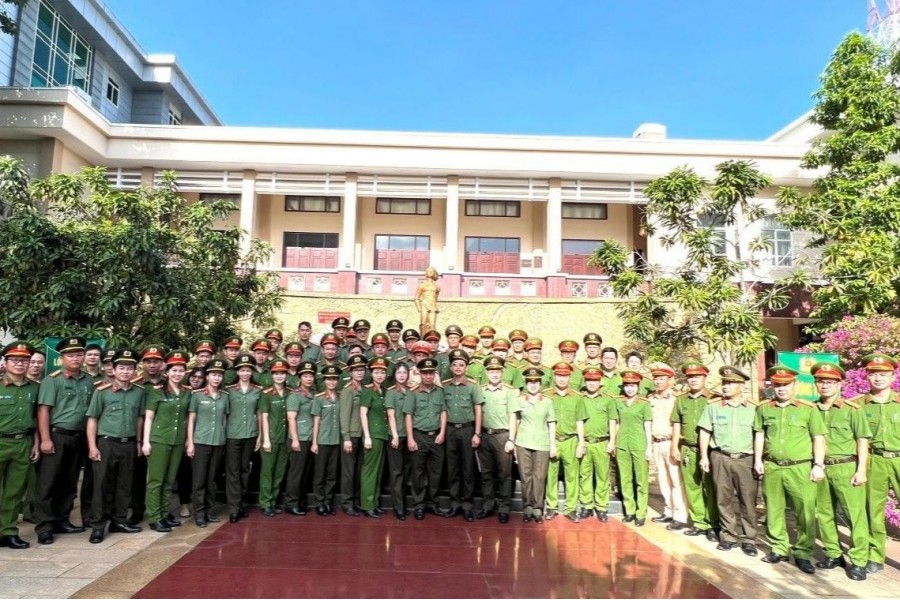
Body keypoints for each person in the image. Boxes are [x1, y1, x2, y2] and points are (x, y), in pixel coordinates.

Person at [753, 365, 826, 575]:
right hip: (773, 466)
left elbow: (818, 437)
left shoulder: (808, 409)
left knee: (804, 511)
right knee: (774, 509)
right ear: (772, 386)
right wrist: (758, 460)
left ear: (795, 385)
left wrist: (818, 465)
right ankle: (779, 548)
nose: (782, 388)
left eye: (786, 384)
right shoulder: (764, 408)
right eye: (778, 385)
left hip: (800, 467)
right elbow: (760, 434)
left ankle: (803, 552)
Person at [810, 362, 870, 581]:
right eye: (821, 381)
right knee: (824, 513)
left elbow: (862, 440)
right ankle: (833, 554)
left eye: (830, 382)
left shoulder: (852, 410)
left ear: (839, 384)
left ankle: (859, 560)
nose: (825, 385)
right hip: (820, 468)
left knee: (855, 515)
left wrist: (861, 470)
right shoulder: (810, 409)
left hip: (846, 466)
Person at [33, 337, 93, 545]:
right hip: (57, 436)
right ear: (62, 358)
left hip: (79, 437)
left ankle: (62, 520)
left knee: (69, 482)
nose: (76, 358)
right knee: (48, 483)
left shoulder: (88, 380)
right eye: (71, 355)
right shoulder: (53, 380)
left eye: (79, 354)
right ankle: (45, 527)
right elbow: (43, 410)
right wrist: (45, 439)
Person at [86, 348, 146, 543]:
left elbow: (139, 418)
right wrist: (92, 446)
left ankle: (119, 521)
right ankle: (98, 526)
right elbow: (92, 419)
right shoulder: (102, 391)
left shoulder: (139, 392)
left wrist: (138, 442)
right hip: (106, 443)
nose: (126, 372)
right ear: (113, 369)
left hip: (128, 443)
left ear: (134, 370)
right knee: (101, 485)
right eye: (122, 368)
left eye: (129, 368)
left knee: (124, 485)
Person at [698, 366, 758, 553]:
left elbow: (759, 435)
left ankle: (749, 539)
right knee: (723, 499)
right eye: (724, 382)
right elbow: (705, 431)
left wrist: (758, 460)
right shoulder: (713, 407)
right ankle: (728, 535)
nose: (726, 386)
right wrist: (704, 456)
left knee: (747, 500)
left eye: (731, 383)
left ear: (742, 386)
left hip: (745, 459)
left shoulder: (754, 408)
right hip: (720, 457)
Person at [858, 353, 900, 574]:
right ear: (867, 376)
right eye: (873, 374)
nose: (878, 378)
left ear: (893, 377)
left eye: (884, 374)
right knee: (873, 509)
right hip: (874, 460)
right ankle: (875, 556)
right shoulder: (858, 405)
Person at [142, 350, 192, 533]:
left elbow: (188, 417)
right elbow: (149, 417)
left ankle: (164, 514)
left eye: (181, 371)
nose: (177, 374)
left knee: (169, 480)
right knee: (156, 480)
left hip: (177, 440)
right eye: (174, 370)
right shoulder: (157, 392)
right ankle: (154, 517)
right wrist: (146, 442)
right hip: (159, 439)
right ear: (167, 372)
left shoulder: (187, 392)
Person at [671, 362, 719, 538]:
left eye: (697, 377)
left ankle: (713, 523)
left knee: (710, 488)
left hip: (710, 450)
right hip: (688, 448)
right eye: (690, 377)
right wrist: (674, 446)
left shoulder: (714, 399)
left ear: (705, 377)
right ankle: (699, 522)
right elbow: (677, 424)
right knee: (692, 486)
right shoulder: (681, 400)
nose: (693, 380)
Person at [0, 342, 40, 550]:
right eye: (14, 360)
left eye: (24, 360)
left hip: (23, 442)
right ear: (5, 362)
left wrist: (36, 443)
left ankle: (9, 531)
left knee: (14, 491)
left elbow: (37, 418)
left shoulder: (35, 388)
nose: (19, 364)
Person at [440, 349, 483, 521]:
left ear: (466, 367)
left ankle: (467, 505)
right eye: (455, 364)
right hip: (450, 430)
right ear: (450, 367)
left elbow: (478, 410)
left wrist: (477, 433)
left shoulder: (473, 386)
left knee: (468, 468)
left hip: (467, 430)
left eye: (461, 364)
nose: (458, 367)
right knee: (452, 469)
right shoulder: (445, 386)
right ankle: (454, 503)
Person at [186, 358, 228, 528]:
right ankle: (199, 513)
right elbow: (191, 420)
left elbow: (224, 419)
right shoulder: (197, 395)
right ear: (207, 377)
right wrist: (190, 443)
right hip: (200, 441)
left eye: (219, 375)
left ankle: (209, 510)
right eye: (213, 375)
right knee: (199, 480)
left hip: (217, 441)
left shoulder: (225, 397)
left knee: (211, 479)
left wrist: (223, 438)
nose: (216, 378)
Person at [404, 358, 447, 520]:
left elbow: (443, 412)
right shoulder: (413, 392)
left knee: (436, 472)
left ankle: (433, 503)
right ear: (420, 374)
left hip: (436, 436)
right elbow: (408, 415)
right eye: (425, 373)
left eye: (431, 373)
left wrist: (442, 433)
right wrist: (410, 438)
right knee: (418, 472)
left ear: (434, 374)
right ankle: (419, 505)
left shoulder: (440, 391)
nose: (428, 376)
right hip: (419, 436)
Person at [477, 356, 519, 523]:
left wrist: (511, 439)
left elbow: (513, 416)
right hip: (485, 435)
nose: (494, 374)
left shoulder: (509, 391)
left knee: (504, 474)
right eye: (491, 371)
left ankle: (504, 508)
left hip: (502, 436)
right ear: (486, 373)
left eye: (497, 371)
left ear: (502, 373)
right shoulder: (480, 390)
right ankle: (487, 506)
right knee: (486, 474)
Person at [129, 345, 167, 526]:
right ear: (143, 364)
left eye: (156, 361)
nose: (152, 365)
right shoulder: (136, 383)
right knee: (138, 474)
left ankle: (160, 510)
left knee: (161, 475)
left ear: (162, 363)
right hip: (139, 432)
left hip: (162, 434)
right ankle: (137, 510)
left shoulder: (169, 383)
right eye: (148, 361)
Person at [513, 367, 556, 524]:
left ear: (540, 383)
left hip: (542, 443)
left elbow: (551, 423)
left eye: (536, 381)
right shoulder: (519, 401)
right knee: (526, 476)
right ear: (525, 383)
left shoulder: (547, 402)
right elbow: (516, 421)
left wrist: (553, 444)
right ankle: (527, 507)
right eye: (530, 382)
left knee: (539, 476)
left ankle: (538, 508)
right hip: (523, 442)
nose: (533, 384)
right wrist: (513, 441)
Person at [544, 362, 587, 522]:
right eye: (559, 375)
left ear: (570, 377)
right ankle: (551, 507)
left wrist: (581, 443)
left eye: (565, 376)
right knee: (551, 475)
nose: (562, 379)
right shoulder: (547, 396)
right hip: (552, 440)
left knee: (572, 476)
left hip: (571, 440)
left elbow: (579, 421)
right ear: (554, 376)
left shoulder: (577, 397)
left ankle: (571, 508)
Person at [225, 354, 262, 523]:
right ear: (237, 372)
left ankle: (242, 503)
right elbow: (224, 414)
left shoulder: (258, 391)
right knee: (233, 471)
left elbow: (259, 414)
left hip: (250, 434)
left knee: (245, 470)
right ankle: (234, 508)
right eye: (242, 370)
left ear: (252, 372)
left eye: (248, 370)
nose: (245, 373)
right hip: (233, 435)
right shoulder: (229, 390)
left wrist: (260, 435)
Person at [577, 366, 618, 522]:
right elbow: (579, 421)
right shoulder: (580, 399)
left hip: (602, 442)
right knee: (585, 475)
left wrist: (612, 442)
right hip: (586, 442)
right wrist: (581, 443)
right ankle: (586, 505)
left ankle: (601, 507)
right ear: (585, 381)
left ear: (600, 381)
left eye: (595, 380)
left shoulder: (608, 399)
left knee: (602, 476)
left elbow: (612, 421)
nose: (592, 383)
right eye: (589, 380)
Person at [615, 370, 652, 526]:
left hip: (639, 445)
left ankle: (641, 513)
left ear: (638, 386)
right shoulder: (618, 402)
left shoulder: (644, 403)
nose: (630, 389)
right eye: (627, 385)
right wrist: (614, 442)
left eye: (633, 385)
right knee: (625, 479)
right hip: (622, 444)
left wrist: (649, 448)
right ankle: (629, 510)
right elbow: (617, 423)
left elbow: (647, 425)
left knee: (641, 480)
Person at [284, 361, 317, 516]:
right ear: (300, 378)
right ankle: (291, 503)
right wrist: (295, 440)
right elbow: (291, 418)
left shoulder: (314, 394)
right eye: (305, 376)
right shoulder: (294, 396)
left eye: (311, 376)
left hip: (310, 437)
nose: (308, 379)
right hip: (299, 438)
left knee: (305, 472)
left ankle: (301, 501)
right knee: (296, 473)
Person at [359, 357, 390, 518]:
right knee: (370, 470)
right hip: (373, 435)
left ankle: (374, 503)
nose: (380, 375)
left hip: (382, 434)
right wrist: (367, 436)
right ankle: (367, 504)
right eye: (376, 372)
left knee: (378, 471)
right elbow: (363, 414)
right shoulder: (368, 391)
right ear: (371, 373)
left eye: (382, 372)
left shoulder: (384, 391)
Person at [259, 359, 290, 517]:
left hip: (284, 438)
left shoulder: (290, 393)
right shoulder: (267, 394)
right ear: (272, 375)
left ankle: (273, 501)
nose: (279, 376)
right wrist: (265, 439)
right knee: (268, 472)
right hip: (271, 437)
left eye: (282, 373)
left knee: (279, 472)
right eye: (276, 373)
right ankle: (265, 502)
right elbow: (264, 417)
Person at [311, 365, 342, 515]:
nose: (331, 382)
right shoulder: (319, 398)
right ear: (324, 380)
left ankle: (328, 501)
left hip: (336, 440)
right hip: (322, 440)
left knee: (332, 474)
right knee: (320, 474)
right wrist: (314, 442)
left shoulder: (341, 397)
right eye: (329, 379)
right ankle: (319, 502)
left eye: (334, 379)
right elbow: (316, 421)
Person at [385, 362, 413, 520]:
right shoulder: (391, 393)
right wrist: (395, 435)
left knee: (407, 470)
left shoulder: (412, 391)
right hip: (396, 436)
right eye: (399, 373)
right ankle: (398, 507)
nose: (402, 375)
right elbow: (390, 415)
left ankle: (403, 503)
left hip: (409, 436)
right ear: (394, 375)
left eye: (404, 372)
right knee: (397, 472)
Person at [339, 355, 367, 516]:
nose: (359, 372)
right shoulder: (348, 390)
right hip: (351, 435)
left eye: (361, 369)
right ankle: (347, 503)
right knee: (348, 472)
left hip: (363, 435)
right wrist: (346, 438)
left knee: (358, 471)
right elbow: (344, 416)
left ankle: (356, 500)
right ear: (350, 372)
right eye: (356, 370)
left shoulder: (365, 389)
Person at [414, 267, 440, 334]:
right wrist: (419, 309)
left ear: (434, 273)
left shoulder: (437, 287)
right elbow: (416, 298)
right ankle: (422, 338)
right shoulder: (422, 285)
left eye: (432, 271)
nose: (430, 272)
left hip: (432, 305)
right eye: (428, 271)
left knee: (432, 325)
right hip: (424, 304)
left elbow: (436, 298)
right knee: (423, 323)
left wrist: (435, 305)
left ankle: (432, 337)